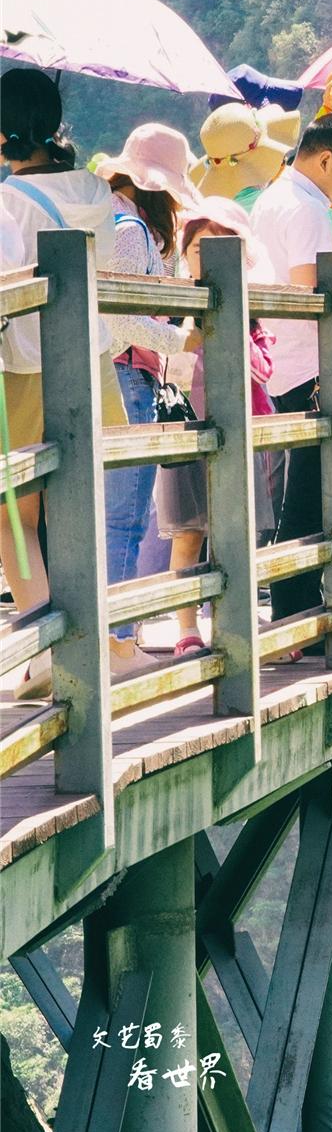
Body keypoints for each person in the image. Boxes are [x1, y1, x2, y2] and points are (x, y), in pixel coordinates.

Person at [0, 68, 127, 695]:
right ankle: (91, 641)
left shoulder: (9, 202)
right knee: (73, 503)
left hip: (25, 365)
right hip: (90, 358)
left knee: (10, 513)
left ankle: (44, 638)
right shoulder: (95, 190)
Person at [250, 108, 332, 642]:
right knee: (309, 497)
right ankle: (294, 612)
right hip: (314, 369)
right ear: (326, 159)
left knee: (302, 492)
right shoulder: (306, 210)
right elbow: (311, 294)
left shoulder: (272, 198)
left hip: (291, 366)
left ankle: (298, 608)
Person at [95, 124, 203, 668]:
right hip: (127, 377)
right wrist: (178, 338)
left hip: (110, 376)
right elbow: (121, 321)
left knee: (117, 515)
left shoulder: (111, 215)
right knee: (125, 517)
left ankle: (114, 636)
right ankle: (117, 640)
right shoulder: (132, 230)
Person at [158, 198, 276, 654]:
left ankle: (237, 621)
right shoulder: (173, 306)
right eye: (196, 248)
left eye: (217, 248)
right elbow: (172, 365)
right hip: (189, 432)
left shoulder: (250, 313)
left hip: (242, 434)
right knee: (189, 533)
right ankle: (187, 628)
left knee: (240, 531)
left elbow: (265, 369)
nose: (204, 257)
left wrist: (233, 332)